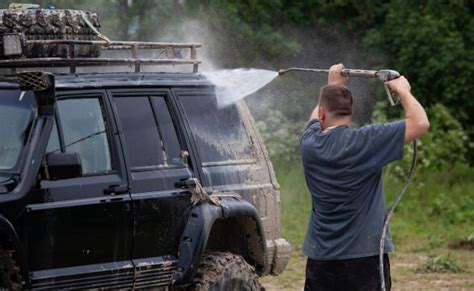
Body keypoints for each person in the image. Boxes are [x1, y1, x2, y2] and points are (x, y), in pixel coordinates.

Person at [300, 63, 429, 290]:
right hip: (364, 260)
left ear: (322, 112)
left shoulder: (309, 144)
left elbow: (314, 120)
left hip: (321, 259)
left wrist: (332, 85)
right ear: (350, 112)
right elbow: (420, 123)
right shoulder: (367, 141)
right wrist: (403, 91)